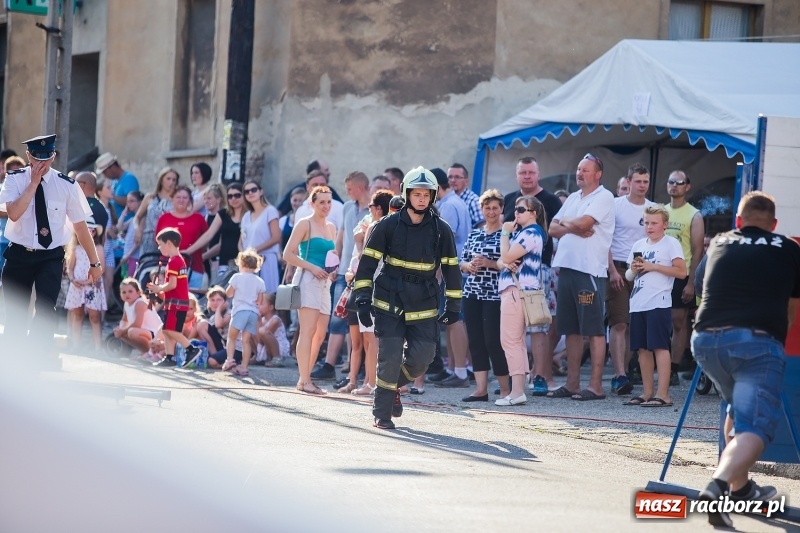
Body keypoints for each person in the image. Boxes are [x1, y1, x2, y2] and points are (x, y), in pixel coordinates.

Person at [692, 191, 800, 528]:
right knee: (755, 428)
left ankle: (740, 490)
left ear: (738, 221)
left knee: (736, 409)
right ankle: (718, 486)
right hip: (755, 342)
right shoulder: (790, 249)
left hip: (706, 340)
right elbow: (791, 311)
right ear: (774, 225)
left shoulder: (719, 243)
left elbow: (701, 285)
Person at [353, 166, 462, 430]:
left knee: (423, 357)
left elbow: (451, 268)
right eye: (417, 194)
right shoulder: (386, 226)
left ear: (433, 197)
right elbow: (367, 264)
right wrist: (362, 299)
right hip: (389, 298)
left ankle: (392, 387)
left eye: (427, 194)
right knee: (389, 356)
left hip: (424, 301)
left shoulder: (441, 230)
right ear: (407, 195)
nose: (422, 199)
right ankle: (383, 412)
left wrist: (454, 304)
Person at [0, 134, 102, 365]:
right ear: (28, 156)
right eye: (36, 159)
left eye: (46, 159)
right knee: (16, 314)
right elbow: (13, 213)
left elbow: (81, 227)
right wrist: (33, 184)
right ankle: (12, 365)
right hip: (19, 254)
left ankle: (35, 359)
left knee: (46, 310)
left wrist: (95, 263)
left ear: (53, 156)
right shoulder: (15, 179)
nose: (41, 164)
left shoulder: (67, 185)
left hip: (50, 256)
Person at [547, 153, 615, 401]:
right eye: (578, 169)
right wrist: (569, 223)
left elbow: (587, 223)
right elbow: (551, 228)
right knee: (571, 330)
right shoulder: (574, 197)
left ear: (598, 174)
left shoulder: (605, 196)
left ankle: (595, 386)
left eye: (585, 170)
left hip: (589, 271)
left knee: (594, 330)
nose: (579, 173)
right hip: (566, 269)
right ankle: (572, 383)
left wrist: (567, 224)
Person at [503, 156, 563, 393]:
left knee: (538, 325)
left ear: (538, 174)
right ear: (517, 175)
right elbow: (503, 236)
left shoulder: (550, 200)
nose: (527, 176)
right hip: (511, 274)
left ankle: (540, 376)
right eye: (522, 172)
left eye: (531, 172)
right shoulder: (509, 200)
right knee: (513, 329)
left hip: (539, 270)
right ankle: (516, 378)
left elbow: (559, 230)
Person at [312, 171, 371, 383]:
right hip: (344, 272)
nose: (346, 193)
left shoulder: (373, 210)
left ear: (360, 187)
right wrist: (333, 263)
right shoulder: (347, 207)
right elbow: (340, 237)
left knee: (362, 324)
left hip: (363, 274)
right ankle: (329, 365)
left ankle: (361, 369)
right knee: (337, 319)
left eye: (349, 188)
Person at [623, 205, 685, 407]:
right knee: (642, 349)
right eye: (646, 223)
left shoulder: (671, 243)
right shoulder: (639, 244)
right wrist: (633, 269)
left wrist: (653, 266)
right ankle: (647, 392)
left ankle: (663, 394)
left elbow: (681, 272)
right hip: (638, 302)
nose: (649, 227)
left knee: (659, 346)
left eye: (654, 223)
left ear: (664, 224)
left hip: (659, 301)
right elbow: (628, 275)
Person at [282, 185, 339, 395]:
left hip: (325, 282)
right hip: (307, 280)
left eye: (328, 202)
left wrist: (332, 270)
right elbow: (288, 254)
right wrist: (312, 267)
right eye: (321, 202)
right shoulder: (304, 223)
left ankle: (305, 378)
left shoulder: (331, 227)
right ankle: (305, 380)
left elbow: (330, 254)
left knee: (321, 333)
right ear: (312, 204)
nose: (325, 206)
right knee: (308, 331)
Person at [495, 195, 548, 406]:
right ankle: (518, 390)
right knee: (515, 341)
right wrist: (505, 259)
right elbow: (501, 261)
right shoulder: (526, 233)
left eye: (521, 209)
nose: (516, 213)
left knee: (510, 341)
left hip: (516, 291)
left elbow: (505, 257)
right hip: (517, 290)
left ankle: (517, 392)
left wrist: (505, 232)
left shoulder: (530, 233)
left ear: (533, 213)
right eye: (515, 209)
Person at [606, 163, 653, 395]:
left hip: (644, 270)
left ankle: (628, 369)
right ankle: (619, 374)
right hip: (619, 268)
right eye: (638, 181)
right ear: (629, 181)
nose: (642, 186)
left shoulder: (653, 208)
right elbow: (604, 239)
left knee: (636, 324)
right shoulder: (615, 205)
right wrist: (612, 270)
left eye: (645, 181)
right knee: (620, 322)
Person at [341, 189, 393, 395]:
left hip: (371, 284)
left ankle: (371, 383)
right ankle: (373, 382)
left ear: (377, 208)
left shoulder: (375, 225)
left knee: (371, 338)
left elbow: (366, 259)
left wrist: (358, 241)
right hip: (386, 285)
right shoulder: (394, 226)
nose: (369, 210)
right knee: (377, 338)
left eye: (371, 206)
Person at [460, 189, 510, 402]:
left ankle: (506, 389)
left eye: (495, 208)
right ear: (481, 210)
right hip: (471, 293)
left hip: (494, 295)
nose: (491, 212)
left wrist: (489, 263)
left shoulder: (506, 235)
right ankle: (481, 389)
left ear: (501, 210)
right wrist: (468, 266)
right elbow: (460, 261)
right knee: (476, 341)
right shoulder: (474, 233)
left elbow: (509, 262)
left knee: (493, 341)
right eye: (487, 208)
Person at [432, 167, 471, 388]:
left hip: (452, 269)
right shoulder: (455, 202)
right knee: (452, 320)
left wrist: (436, 274)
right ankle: (453, 369)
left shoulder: (447, 206)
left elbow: (443, 242)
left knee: (455, 320)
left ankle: (460, 372)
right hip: (456, 268)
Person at [665, 170, 705, 385]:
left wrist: (692, 283)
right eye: (671, 182)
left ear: (687, 186)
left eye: (679, 183)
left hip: (682, 275)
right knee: (659, 321)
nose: (675, 186)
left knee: (678, 322)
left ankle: (673, 367)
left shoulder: (694, 215)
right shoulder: (661, 211)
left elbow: (698, 251)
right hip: (660, 274)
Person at [146, 227, 201, 367]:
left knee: (171, 330)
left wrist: (158, 287)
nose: (159, 248)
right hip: (175, 302)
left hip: (176, 303)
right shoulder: (179, 260)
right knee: (166, 330)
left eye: (160, 244)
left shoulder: (173, 262)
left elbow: (172, 284)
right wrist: (158, 291)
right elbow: (173, 287)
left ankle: (190, 349)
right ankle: (170, 357)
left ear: (169, 243)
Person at [219, 249, 267, 377]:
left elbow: (228, 293)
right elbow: (260, 300)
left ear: (241, 263)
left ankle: (229, 359)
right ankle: (244, 367)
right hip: (253, 313)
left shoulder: (237, 277)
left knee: (232, 336)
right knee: (246, 340)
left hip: (240, 311)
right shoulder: (259, 281)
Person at [185, 182, 244, 285]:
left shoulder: (248, 215)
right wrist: (188, 251)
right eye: (230, 196)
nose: (233, 199)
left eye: (237, 195)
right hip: (225, 263)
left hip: (244, 263)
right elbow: (208, 235)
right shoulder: (223, 214)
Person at [64, 217, 107, 353]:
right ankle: (76, 345)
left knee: (95, 317)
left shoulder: (98, 248)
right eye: (88, 228)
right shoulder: (75, 248)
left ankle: (97, 348)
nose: (91, 231)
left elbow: (102, 268)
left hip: (92, 286)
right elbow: (70, 268)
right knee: (78, 315)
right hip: (77, 286)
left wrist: (88, 281)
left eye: (93, 229)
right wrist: (73, 279)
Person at [155, 184, 209, 291]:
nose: (181, 200)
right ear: (172, 199)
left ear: (190, 200)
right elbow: (157, 241)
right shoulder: (164, 218)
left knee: (192, 301)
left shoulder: (198, 218)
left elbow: (205, 241)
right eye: (178, 197)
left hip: (194, 266)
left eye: (185, 198)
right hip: (168, 266)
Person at [240, 179, 281, 293]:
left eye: (253, 190)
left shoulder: (270, 211)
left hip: (266, 258)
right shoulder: (246, 216)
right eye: (247, 192)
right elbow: (242, 240)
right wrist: (244, 254)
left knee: (267, 294)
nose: (250, 193)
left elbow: (276, 237)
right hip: (249, 262)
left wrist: (254, 250)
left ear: (261, 191)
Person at [134, 167, 178, 260]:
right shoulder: (150, 197)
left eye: (174, 180)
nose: (171, 182)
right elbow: (137, 217)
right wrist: (137, 229)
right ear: (161, 181)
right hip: (149, 238)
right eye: (168, 179)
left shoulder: (176, 200)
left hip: (168, 239)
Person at [114, 277, 163, 356]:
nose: (127, 294)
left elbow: (137, 324)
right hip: (143, 332)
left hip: (155, 333)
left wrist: (122, 331)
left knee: (132, 332)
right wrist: (120, 330)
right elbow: (124, 320)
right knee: (121, 333)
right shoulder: (127, 303)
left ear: (138, 292)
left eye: (130, 291)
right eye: (124, 292)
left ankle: (152, 352)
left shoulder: (140, 303)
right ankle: (145, 351)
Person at [276, 158, 343, 215]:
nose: (329, 173)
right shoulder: (299, 191)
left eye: (322, 184)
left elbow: (343, 209)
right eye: (326, 170)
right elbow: (280, 210)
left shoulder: (331, 194)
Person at [0, 155, 25, 275]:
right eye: (14, 171)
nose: (17, 175)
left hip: (22, 242)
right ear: (6, 172)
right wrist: (16, 210)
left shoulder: (28, 189)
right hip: (4, 240)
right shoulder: (2, 188)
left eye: (20, 171)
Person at [95, 152, 140, 218]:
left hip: (128, 224)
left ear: (112, 167)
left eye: (105, 172)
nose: (104, 175)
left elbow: (131, 203)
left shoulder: (129, 179)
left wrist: (112, 196)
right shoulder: (114, 181)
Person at [257, 292, 291, 367]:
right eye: (258, 304)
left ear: (271, 307)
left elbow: (262, 340)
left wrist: (258, 321)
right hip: (266, 347)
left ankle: (277, 358)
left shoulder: (275, 320)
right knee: (248, 331)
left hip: (278, 348)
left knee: (264, 331)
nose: (258, 306)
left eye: (261, 304)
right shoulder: (262, 319)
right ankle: (257, 357)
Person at [448, 163, 485, 229]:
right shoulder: (446, 199)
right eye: (450, 177)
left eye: (457, 177)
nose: (453, 180)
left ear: (466, 181)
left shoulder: (473, 201)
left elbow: (482, 228)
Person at [117, 190, 144, 277]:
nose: (129, 204)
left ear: (140, 202)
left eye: (132, 201)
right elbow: (119, 227)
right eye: (127, 201)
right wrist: (124, 213)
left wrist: (128, 255)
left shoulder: (142, 219)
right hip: (128, 257)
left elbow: (138, 241)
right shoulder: (133, 219)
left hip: (134, 257)